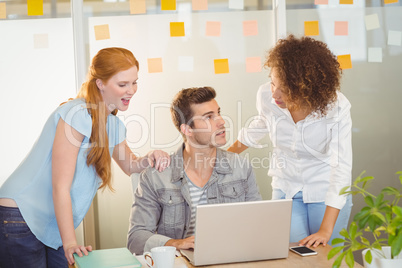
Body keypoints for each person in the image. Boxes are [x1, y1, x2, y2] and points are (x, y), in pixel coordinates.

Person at [0, 47, 170, 268]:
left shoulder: (113, 124)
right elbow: (61, 186)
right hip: (21, 212)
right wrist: (70, 242)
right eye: (123, 84)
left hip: (50, 220)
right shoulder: (77, 115)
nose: (131, 90)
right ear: (100, 83)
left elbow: (130, 165)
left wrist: (150, 157)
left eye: (135, 82)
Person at [228, 35, 353, 248]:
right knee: (291, 255)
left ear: (307, 88)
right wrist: (223, 157)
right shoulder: (267, 97)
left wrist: (325, 230)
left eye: (284, 88)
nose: (274, 93)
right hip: (286, 187)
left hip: (325, 192)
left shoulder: (337, 107)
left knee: (326, 259)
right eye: (272, 82)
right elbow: (261, 124)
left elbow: (341, 169)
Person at [127, 86, 262, 255]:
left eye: (218, 113)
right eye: (209, 117)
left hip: (230, 258)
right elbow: (136, 238)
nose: (221, 121)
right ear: (187, 129)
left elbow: (257, 224)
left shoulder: (242, 168)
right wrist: (174, 243)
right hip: (180, 262)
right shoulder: (156, 176)